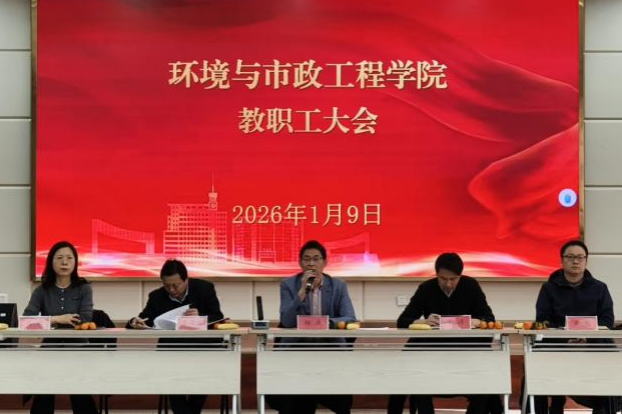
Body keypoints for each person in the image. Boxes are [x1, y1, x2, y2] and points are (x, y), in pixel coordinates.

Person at [387, 252, 502, 414]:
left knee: (487, 379)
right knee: (409, 373)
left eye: (453, 279)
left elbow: (488, 318)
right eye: (443, 279)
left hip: (466, 350)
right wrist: (422, 322)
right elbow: (403, 320)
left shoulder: (471, 285)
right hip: (432, 350)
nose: (448, 284)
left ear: (460, 276)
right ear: (436, 274)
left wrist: (473, 322)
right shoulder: (426, 288)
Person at [126, 259, 224, 414]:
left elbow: (218, 316)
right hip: (172, 349)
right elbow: (144, 319)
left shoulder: (204, 288)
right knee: (170, 378)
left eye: (175, 285)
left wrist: (201, 316)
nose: (171, 290)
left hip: (204, 347)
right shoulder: (157, 296)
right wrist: (134, 322)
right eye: (167, 285)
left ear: (186, 280)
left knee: (204, 376)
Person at [532, 240, 616, 414]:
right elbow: (543, 319)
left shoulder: (600, 288)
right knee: (534, 369)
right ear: (562, 260)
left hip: (593, 346)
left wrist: (586, 337)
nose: (575, 261)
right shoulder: (549, 288)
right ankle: (554, 404)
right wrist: (565, 337)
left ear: (586, 261)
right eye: (570, 257)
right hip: (557, 346)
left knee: (611, 365)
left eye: (580, 257)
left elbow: (607, 320)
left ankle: (602, 407)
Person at [272, 240, 357, 414]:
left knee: (342, 401)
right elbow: (286, 321)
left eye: (316, 259)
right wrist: (302, 292)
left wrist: (326, 323)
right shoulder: (288, 285)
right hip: (296, 350)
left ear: (324, 263)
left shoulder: (338, 286)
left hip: (330, 349)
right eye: (307, 259)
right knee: (292, 402)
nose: (311, 263)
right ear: (300, 263)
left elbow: (350, 318)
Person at [23, 241, 98, 414]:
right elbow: (27, 321)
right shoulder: (42, 290)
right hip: (50, 348)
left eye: (69, 258)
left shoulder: (84, 288)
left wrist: (47, 321)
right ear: (51, 262)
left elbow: (85, 318)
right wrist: (57, 319)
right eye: (59, 258)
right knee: (44, 393)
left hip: (78, 349)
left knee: (81, 395)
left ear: (75, 262)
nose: (64, 262)